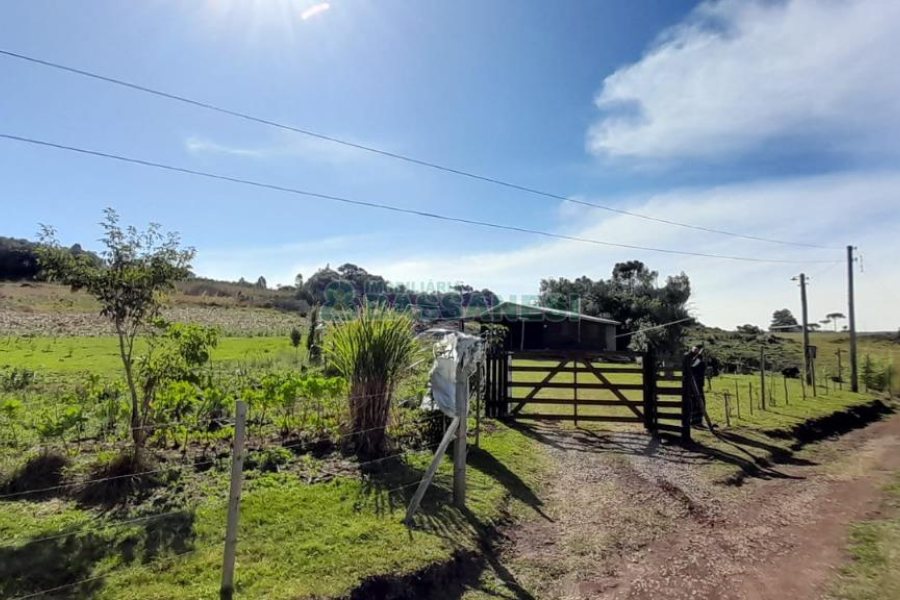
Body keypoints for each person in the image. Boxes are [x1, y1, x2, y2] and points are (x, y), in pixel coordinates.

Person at [682, 345, 707, 427]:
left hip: (698, 384)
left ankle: (698, 421)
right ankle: (691, 421)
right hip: (692, 384)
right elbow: (692, 365)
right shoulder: (688, 357)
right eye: (695, 349)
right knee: (693, 403)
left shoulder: (699, 358)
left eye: (698, 349)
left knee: (700, 403)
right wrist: (698, 355)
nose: (697, 351)